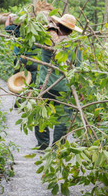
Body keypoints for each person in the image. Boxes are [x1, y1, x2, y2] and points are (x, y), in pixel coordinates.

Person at [35, 13, 82, 150]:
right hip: (65, 87)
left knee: (41, 113)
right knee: (62, 118)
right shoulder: (74, 44)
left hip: (45, 85)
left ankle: (42, 144)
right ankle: (57, 146)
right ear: (71, 31)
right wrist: (79, 89)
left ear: (58, 25)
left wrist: (50, 27)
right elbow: (78, 67)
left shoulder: (46, 39)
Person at [5, 15, 38, 84]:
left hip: (20, 57)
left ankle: (17, 90)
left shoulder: (16, 28)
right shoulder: (36, 29)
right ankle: (30, 91)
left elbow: (6, 28)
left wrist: (8, 18)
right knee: (32, 77)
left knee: (17, 76)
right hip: (33, 58)